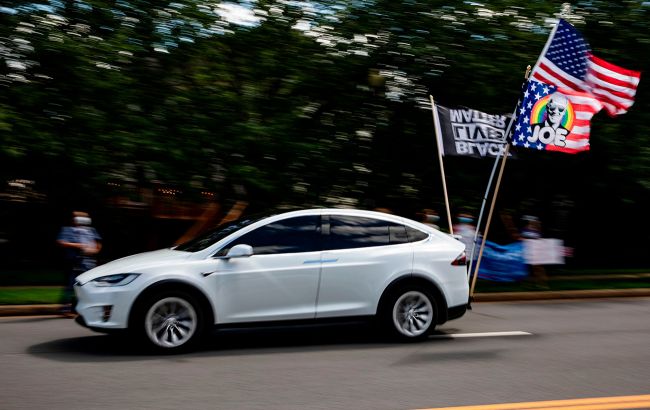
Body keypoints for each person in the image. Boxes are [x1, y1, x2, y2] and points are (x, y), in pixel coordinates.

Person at [56, 211, 102, 316]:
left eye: (83, 217)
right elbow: (61, 242)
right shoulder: (67, 230)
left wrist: (94, 250)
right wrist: (77, 245)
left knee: (86, 285)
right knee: (70, 285)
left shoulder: (91, 230)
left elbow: (98, 244)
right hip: (73, 261)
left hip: (89, 262)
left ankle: (79, 308)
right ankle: (64, 309)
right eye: (78, 217)